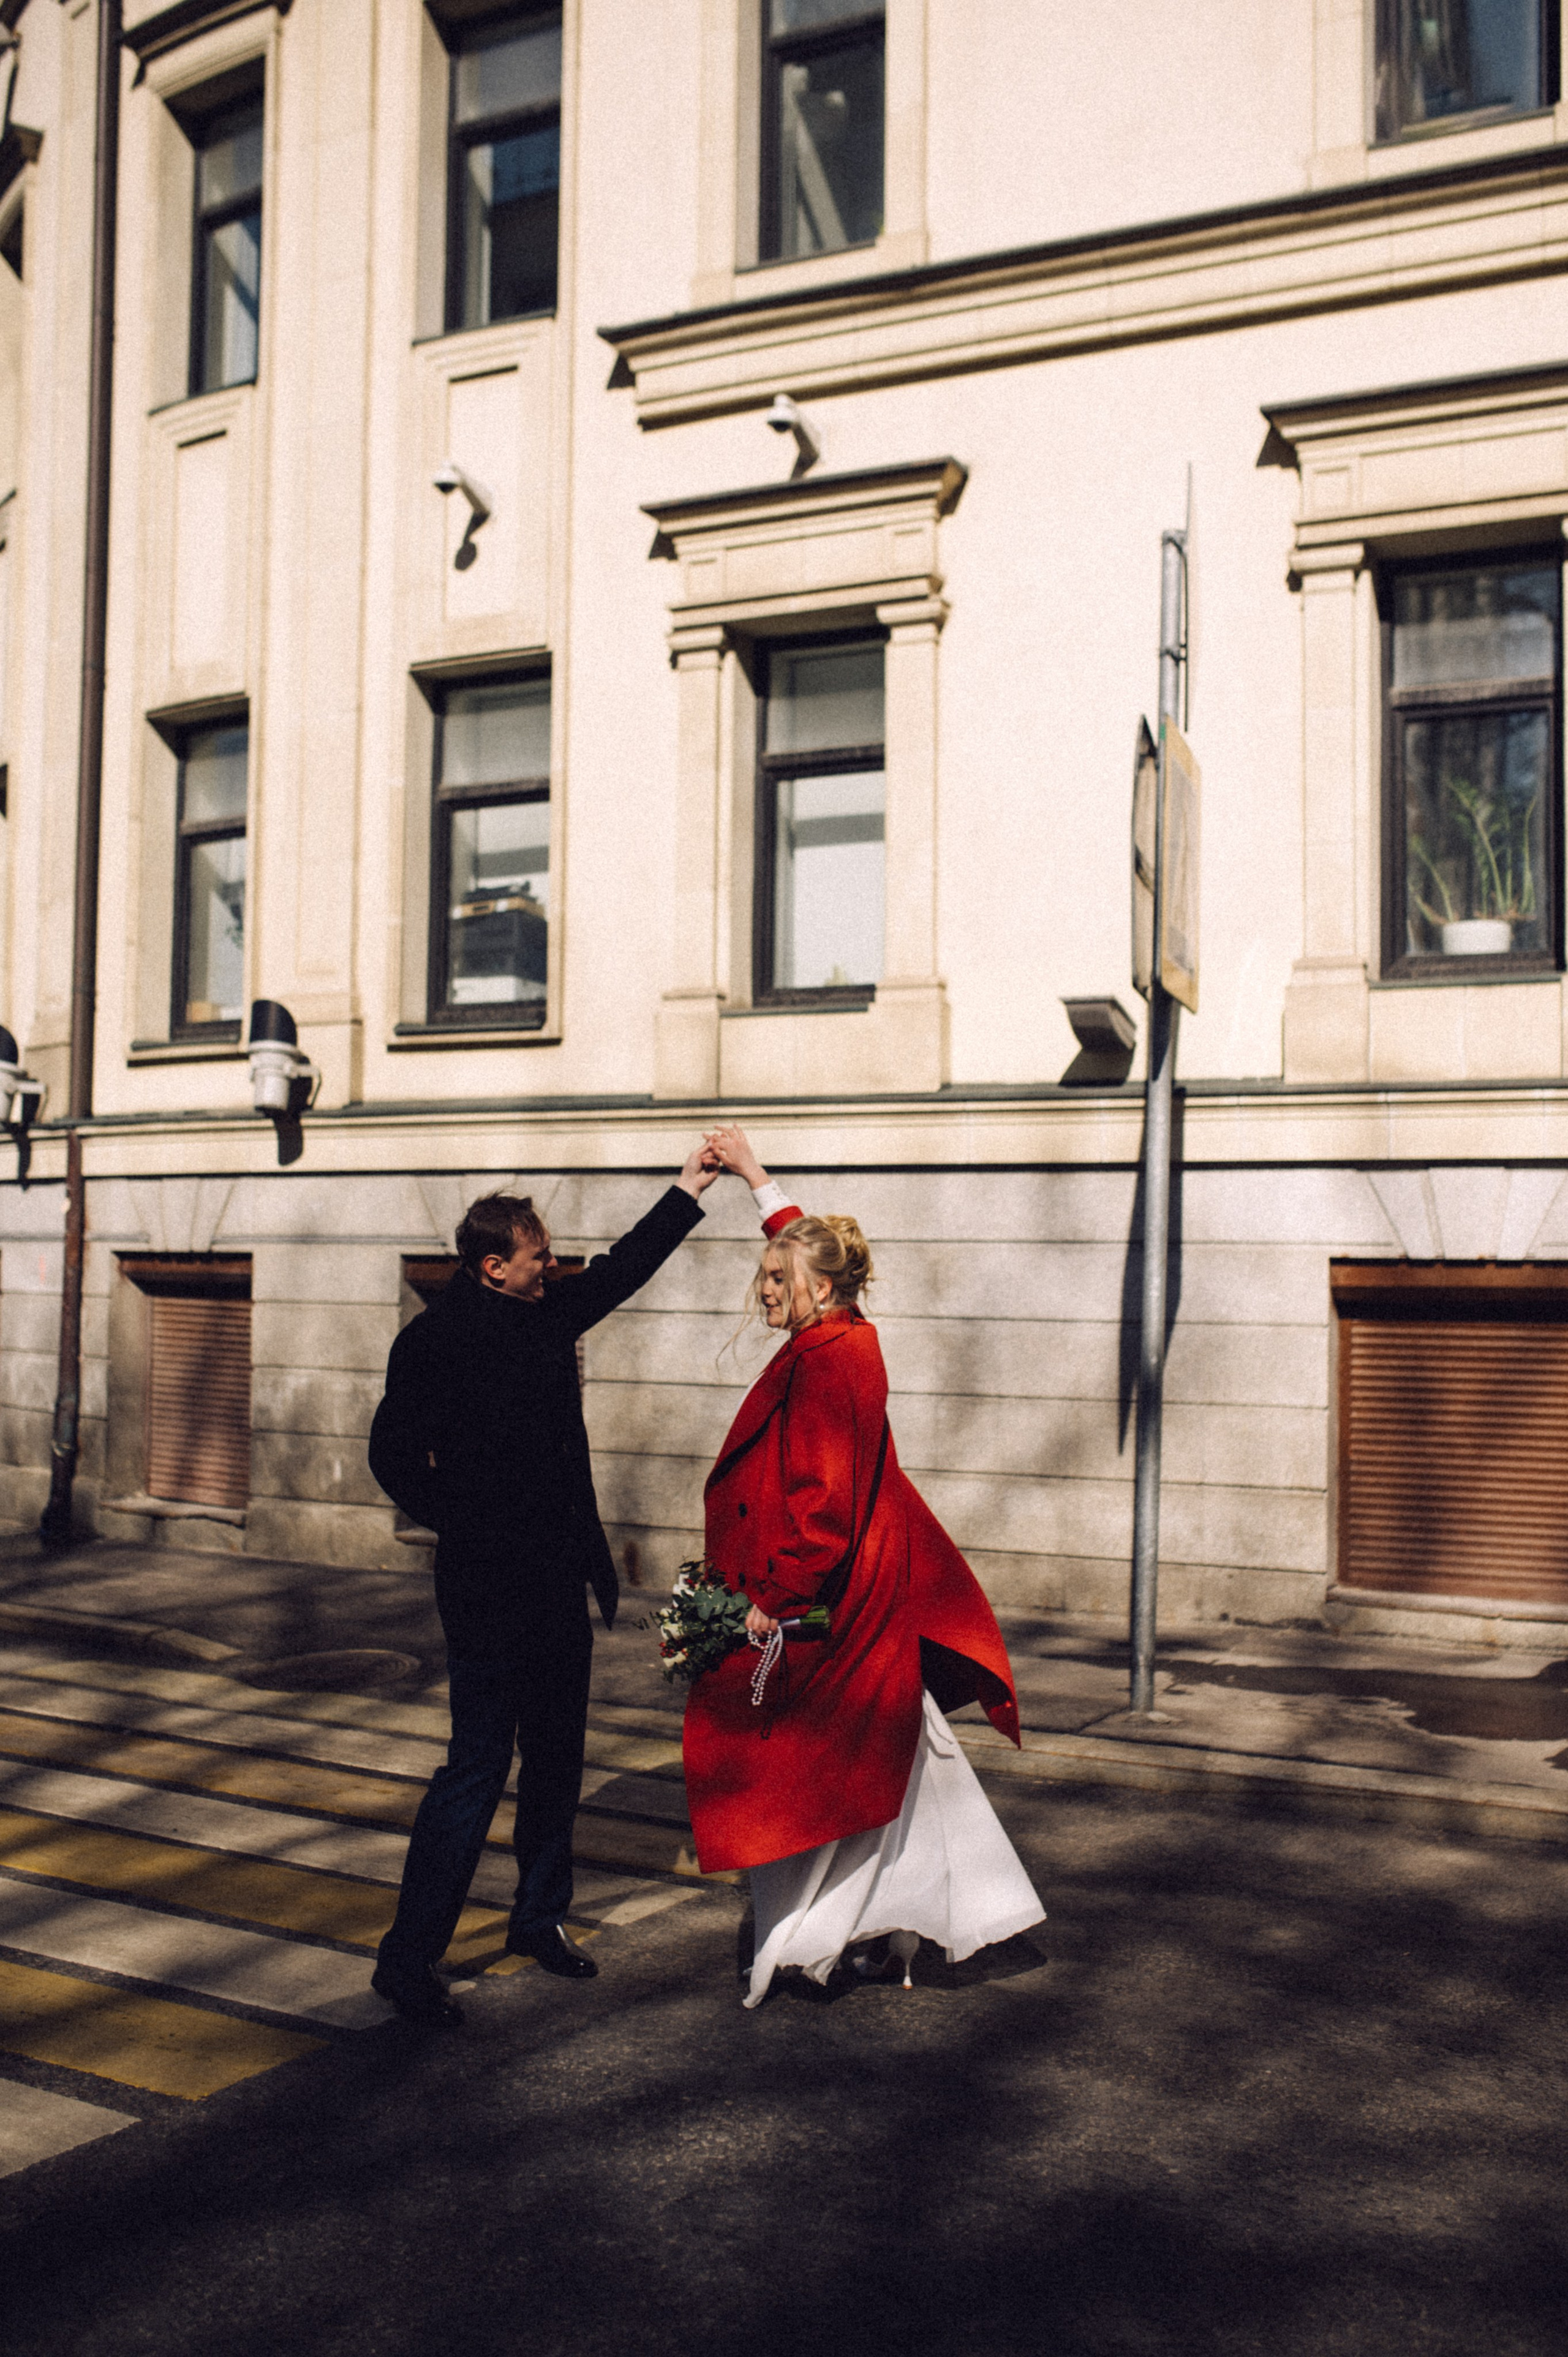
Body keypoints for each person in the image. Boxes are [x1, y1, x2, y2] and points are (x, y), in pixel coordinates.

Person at [686, 1126, 1045, 2006]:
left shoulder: (836, 1361)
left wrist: (770, 1598)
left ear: (819, 1289)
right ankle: (890, 1931)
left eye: (778, 1281)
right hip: (863, 1589)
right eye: (766, 1275)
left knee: (814, 1773)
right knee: (887, 1762)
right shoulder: (835, 1330)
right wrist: (758, 1182)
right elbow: (815, 1247)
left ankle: (827, 1939)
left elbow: (825, 1504)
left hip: (837, 1595)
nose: (763, 1288)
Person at [367, 1148, 720, 2023]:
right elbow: (391, 1457)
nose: (554, 1265)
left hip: (557, 1582)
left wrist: (688, 1188)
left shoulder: (549, 1312)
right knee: (478, 1765)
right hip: (487, 1589)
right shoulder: (433, 1342)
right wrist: (471, 1519)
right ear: (495, 1267)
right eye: (540, 1256)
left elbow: (624, 1268)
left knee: (558, 1759)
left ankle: (539, 1921)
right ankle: (409, 1960)